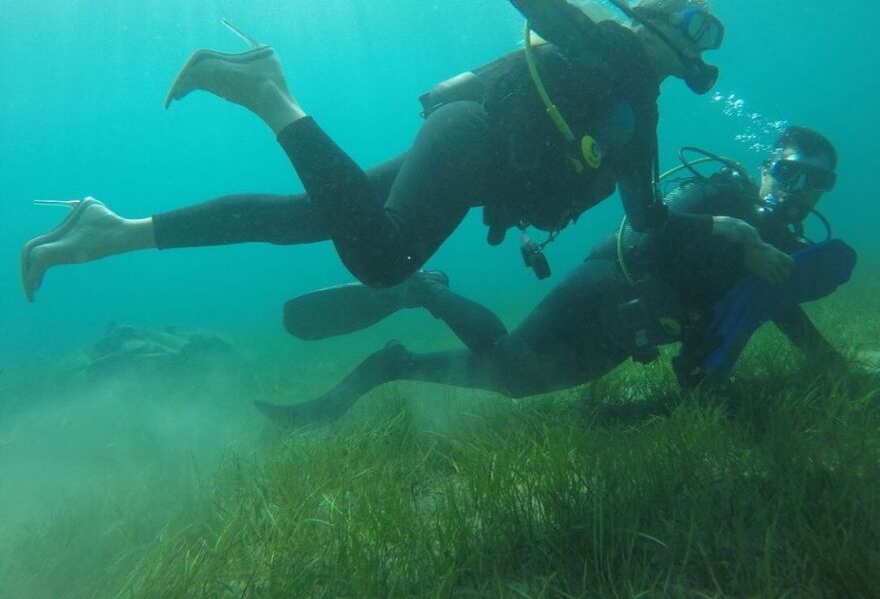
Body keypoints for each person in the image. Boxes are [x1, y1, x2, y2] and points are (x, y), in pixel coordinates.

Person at [20, 0, 773, 305]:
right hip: (474, 133)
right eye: (695, 24)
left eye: (710, 34)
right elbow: (548, 8)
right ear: (651, 21)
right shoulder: (612, 49)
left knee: (303, 218)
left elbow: (648, 219)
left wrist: (733, 226)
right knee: (383, 261)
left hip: (475, 152)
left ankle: (112, 232)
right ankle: (267, 90)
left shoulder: (640, 114)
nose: (702, 44)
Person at [255, 127, 855, 427]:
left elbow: (772, 301)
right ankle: (423, 291)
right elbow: (647, 229)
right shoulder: (723, 192)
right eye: (791, 172)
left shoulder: (788, 249)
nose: (800, 191)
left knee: (514, 383)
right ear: (767, 166)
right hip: (607, 286)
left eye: (817, 182)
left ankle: (394, 365)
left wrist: (827, 362)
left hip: (634, 331)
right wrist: (731, 232)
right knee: (516, 363)